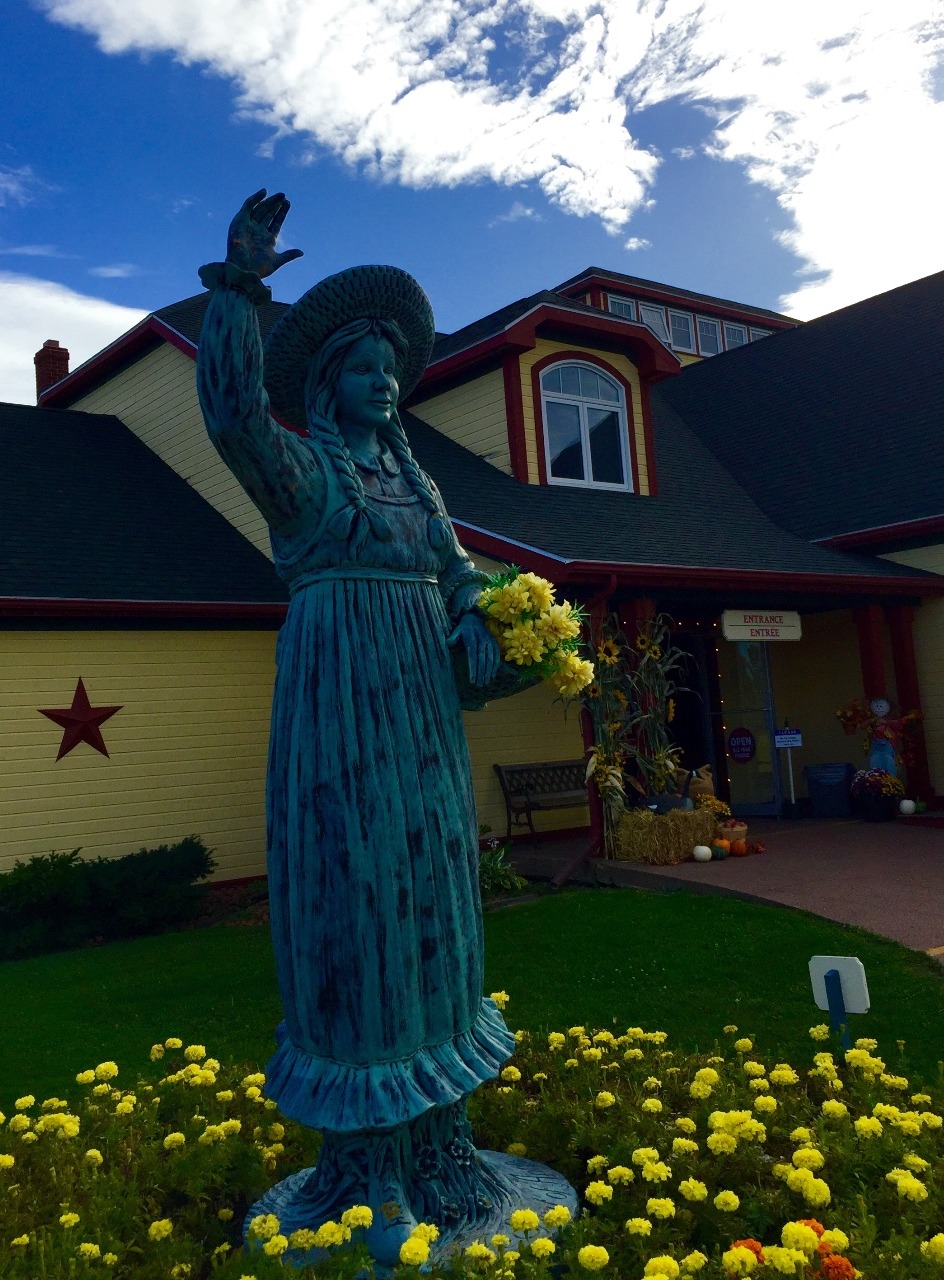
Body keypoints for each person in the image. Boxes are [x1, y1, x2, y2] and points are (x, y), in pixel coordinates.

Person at [196, 191, 564, 1261]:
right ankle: (364, 1176)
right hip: (339, 729)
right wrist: (240, 287)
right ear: (327, 383)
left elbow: (456, 570)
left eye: (392, 370)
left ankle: (443, 1151)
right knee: (354, 908)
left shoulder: (413, 482)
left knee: (430, 896)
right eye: (366, 369)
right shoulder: (305, 479)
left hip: (422, 739)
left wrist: (475, 613)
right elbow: (226, 415)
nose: (385, 383)